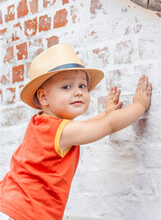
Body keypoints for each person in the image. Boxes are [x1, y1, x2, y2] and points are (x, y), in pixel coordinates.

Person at [0, 43, 152, 220]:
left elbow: (84, 127)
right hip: (22, 211)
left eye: (82, 86)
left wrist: (105, 113)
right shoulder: (62, 130)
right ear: (43, 97)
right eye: (67, 87)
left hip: (11, 203)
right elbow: (107, 126)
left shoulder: (43, 123)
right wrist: (139, 105)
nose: (78, 92)